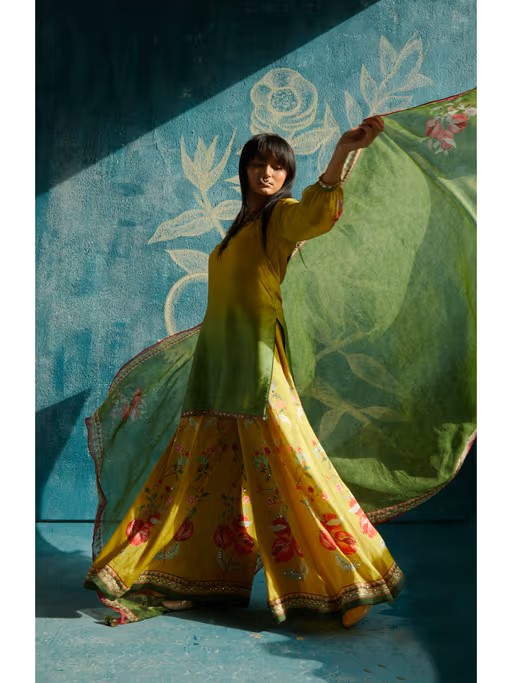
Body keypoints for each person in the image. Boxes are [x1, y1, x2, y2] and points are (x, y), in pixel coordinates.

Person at [84, 116, 405, 628]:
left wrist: (342, 151)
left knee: (295, 466)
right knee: (199, 474)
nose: (268, 173)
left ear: (288, 176)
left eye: (278, 166)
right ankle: (186, 578)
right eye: (259, 164)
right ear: (245, 171)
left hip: (256, 364)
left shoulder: (281, 218)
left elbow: (318, 213)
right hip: (216, 364)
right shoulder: (239, 227)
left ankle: (351, 576)